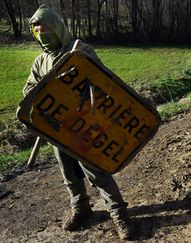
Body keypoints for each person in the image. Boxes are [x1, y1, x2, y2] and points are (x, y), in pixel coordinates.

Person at [23, 5, 132, 240]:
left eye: (46, 31)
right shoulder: (40, 62)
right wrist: (40, 93)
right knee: (68, 174)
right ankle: (81, 208)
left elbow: (102, 83)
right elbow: (28, 91)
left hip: (85, 128)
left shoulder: (81, 51)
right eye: (38, 32)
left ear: (58, 30)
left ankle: (119, 213)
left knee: (97, 173)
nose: (43, 37)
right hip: (56, 130)